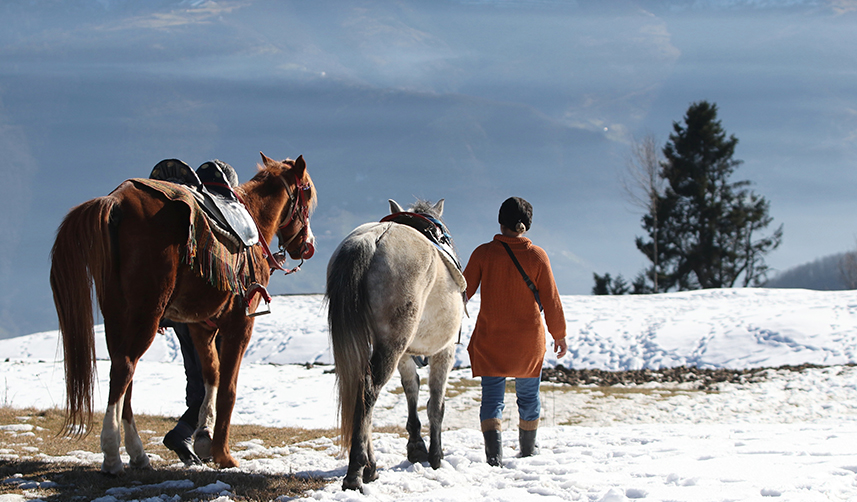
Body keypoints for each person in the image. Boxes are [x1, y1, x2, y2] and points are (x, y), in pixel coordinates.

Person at [462, 197, 568, 466]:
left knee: (492, 399)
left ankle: (493, 457)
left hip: (491, 340)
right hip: (527, 343)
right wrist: (559, 334)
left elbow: (462, 294)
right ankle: (529, 451)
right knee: (529, 397)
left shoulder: (483, 253)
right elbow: (552, 299)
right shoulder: (537, 256)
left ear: (500, 221)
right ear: (527, 225)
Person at [158, 320, 211, 465]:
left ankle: (202, 444)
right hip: (207, 317)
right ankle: (183, 433)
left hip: (181, 316)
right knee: (212, 381)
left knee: (195, 376)